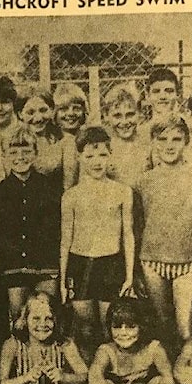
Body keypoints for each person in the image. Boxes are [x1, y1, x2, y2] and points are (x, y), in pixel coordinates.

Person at [136, 118, 192, 344]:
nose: (169, 145)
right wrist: (136, 271)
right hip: (152, 262)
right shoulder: (144, 181)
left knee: (186, 329)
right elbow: (138, 228)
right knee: (161, 327)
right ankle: (167, 377)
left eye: (176, 139)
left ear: (186, 141)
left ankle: (187, 376)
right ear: (153, 142)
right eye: (162, 139)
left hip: (187, 263)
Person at [60, 126, 135, 358]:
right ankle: (87, 381)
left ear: (110, 155)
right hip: (80, 264)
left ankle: (109, 375)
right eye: (89, 156)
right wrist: (63, 281)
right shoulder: (71, 195)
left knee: (108, 325)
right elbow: (65, 240)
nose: (96, 161)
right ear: (80, 157)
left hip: (110, 264)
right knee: (84, 327)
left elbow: (128, 235)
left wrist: (129, 275)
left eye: (102, 154)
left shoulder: (122, 191)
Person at [0, 124, 62, 319]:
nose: (20, 157)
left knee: (47, 313)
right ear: (5, 156)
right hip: (13, 267)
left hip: (45, 265)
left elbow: (55, 231)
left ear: (36, 154)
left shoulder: (50, 189)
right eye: (13, 152)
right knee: (19, 317)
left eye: (26, 151)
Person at [14, 88, 77, 190]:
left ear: (52, 110)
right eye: (30, 112)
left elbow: (69, 187)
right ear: (20, 114)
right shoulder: (13, 141)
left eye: (43, 110)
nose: (38, 118)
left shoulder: (66, 141)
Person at [102, 83, 150, 188]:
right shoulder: (103, 146)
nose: (124, 122)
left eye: (130, 114)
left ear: (139, 113)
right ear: (106, 116)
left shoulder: (147, 143)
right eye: (117, 115)